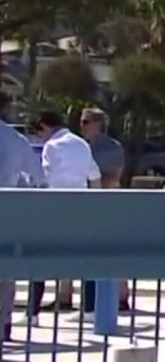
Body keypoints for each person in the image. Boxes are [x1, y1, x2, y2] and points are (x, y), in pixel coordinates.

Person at [24, 111, 99, 325]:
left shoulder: (52, 146)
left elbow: (44, 178)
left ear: (45, 127)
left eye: (40, 133)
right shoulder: (81, 144)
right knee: (85, 258)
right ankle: (89, 310)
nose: (41, 138)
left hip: (54, 208)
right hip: (82, 207)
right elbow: (94, 176)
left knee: (39, 258)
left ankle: (32, 313)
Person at [0, 93, 45, 341]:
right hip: (6, 210)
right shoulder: (17, 140)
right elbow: (38, 179)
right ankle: (4, 322)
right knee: (5, 271)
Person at [78, 108, 130, 313]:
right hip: (88, 204)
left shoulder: (111, 147)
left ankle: (121, 296)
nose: (81, 126)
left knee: (113, 250)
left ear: (98, 124)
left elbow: (113, 176)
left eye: (85, 122)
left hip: (108, 202)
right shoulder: (81, 147)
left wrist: (93, 180)